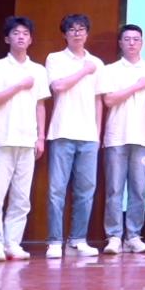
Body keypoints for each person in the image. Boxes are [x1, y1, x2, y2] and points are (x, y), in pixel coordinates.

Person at [0, 16, 49, 262]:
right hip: (0, 139)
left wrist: (40, 137)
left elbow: (40, 105)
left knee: (22, 197)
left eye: (25, 33)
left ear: (31, 39)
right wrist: (19, 85)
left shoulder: (38, 70)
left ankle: (13, 243)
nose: (21, 37)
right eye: (16, 33)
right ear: (6, 38)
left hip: (27, 140)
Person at [44, 13, 105, 259]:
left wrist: (97, 134)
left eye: (81, 29)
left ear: (87, 34)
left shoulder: (97, 63)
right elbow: (57, 87)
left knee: (86, 190)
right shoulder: (55, 58)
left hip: (88, 135)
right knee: (56, 189)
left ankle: (78, 240)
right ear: (65, 34)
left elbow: (99, 101)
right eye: (72, 29)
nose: (77, 33)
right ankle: (54, 241)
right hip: (62, 132)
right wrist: (83, 71)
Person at [96, 23, 145, 255]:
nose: (132, 43)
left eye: (136, 39)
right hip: (116, 136)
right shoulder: (110, 70)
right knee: (114, 188)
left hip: (142, 137)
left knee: (138, 189)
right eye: (127, 39)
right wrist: (136, 86)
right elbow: (109, 100)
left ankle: (133, 235)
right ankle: (114, 236)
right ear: (120, 43)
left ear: (142, 43)